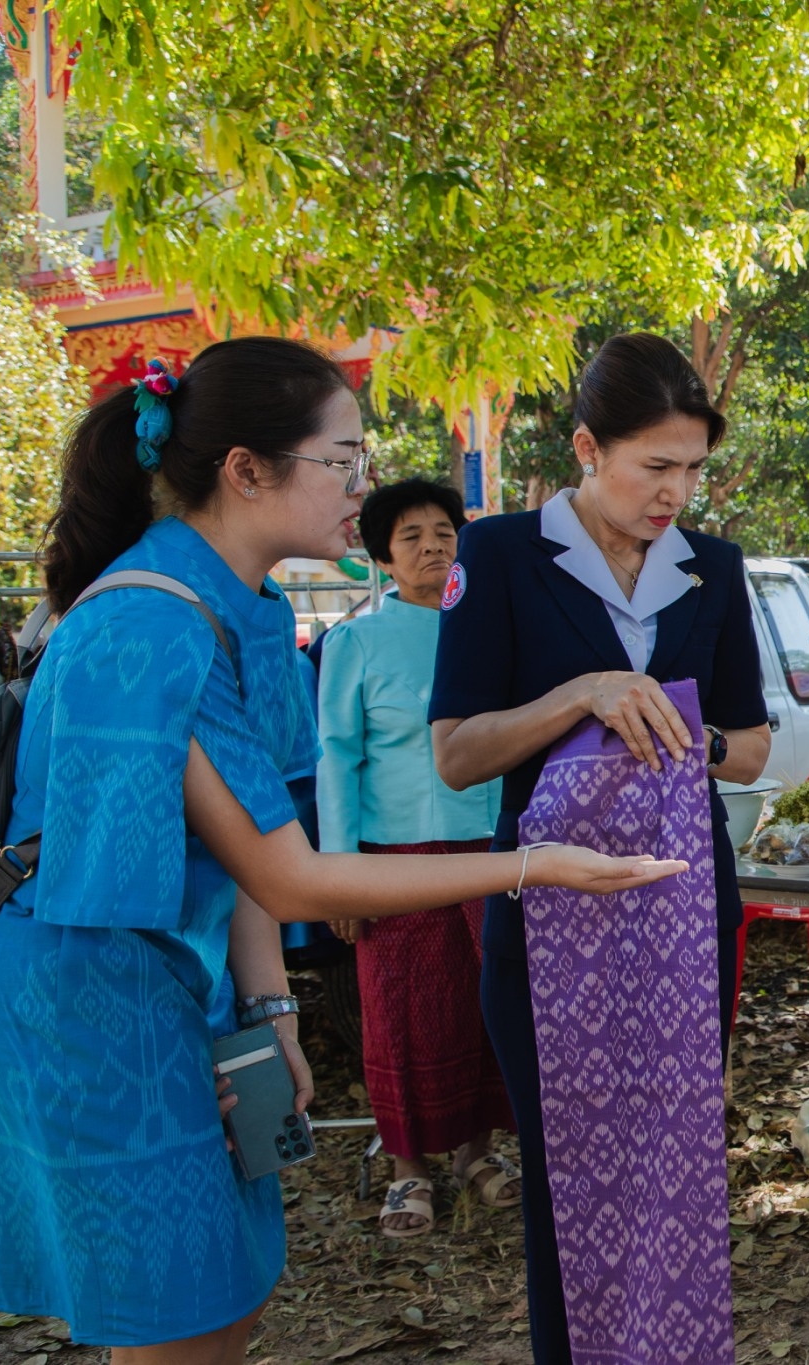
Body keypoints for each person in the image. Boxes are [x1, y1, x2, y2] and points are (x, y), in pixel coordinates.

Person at [0, 338, 684, 1365]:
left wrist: (269, 1011)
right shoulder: (150, 624)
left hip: (178, 982)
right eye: (341, 461)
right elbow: (289, 874)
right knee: (181, 1323)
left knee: (230, 1300)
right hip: (91, 1005)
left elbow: (251, 848)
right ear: (247, 472)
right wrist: (536, 864)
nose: (362, 487)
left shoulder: (241, 607)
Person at [428, 333, 772, 1365]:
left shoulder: (711, 568)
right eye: (654, 467)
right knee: (566, 1178)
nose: (677, 492)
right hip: (546, 917)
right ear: (587, 447)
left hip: (679, 912)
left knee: (676, 1167)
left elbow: (750, 745)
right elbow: (455, 753)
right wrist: (579, 696)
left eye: (694, 470)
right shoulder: (496, 555)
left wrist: (687, 735)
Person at [317, 478, 513, 1236]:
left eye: (443, 531)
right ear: (382, 556)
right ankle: (407, 1173)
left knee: (482, 1005)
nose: (432, 546)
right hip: (390, 860)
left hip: (487, 853)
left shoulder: (488, 634)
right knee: (398, 1014)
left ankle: (476, 1155)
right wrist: (338, 874)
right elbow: (336, 759)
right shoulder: (354, 643)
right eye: (411, 536)